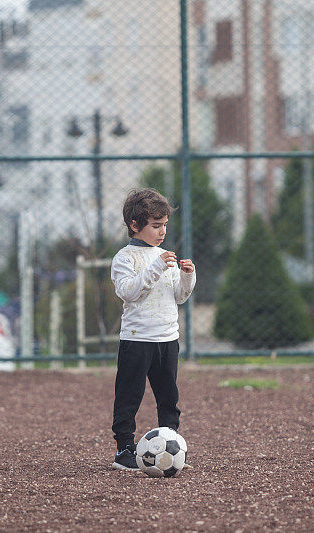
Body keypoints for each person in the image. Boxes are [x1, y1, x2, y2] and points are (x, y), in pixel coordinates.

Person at [109, 188, 196, 470]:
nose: (162, 232)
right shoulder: (125, 258)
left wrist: (187, 277)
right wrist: (157, 266)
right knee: (129, 396)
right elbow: (129, 292)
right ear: (135, 225)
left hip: (167, 338)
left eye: (165, 226)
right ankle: (124, 450)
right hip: (137, 340)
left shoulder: (165, 257)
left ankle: (172, 449)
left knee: (169, 397)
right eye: (156, 226)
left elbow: (179, 296)